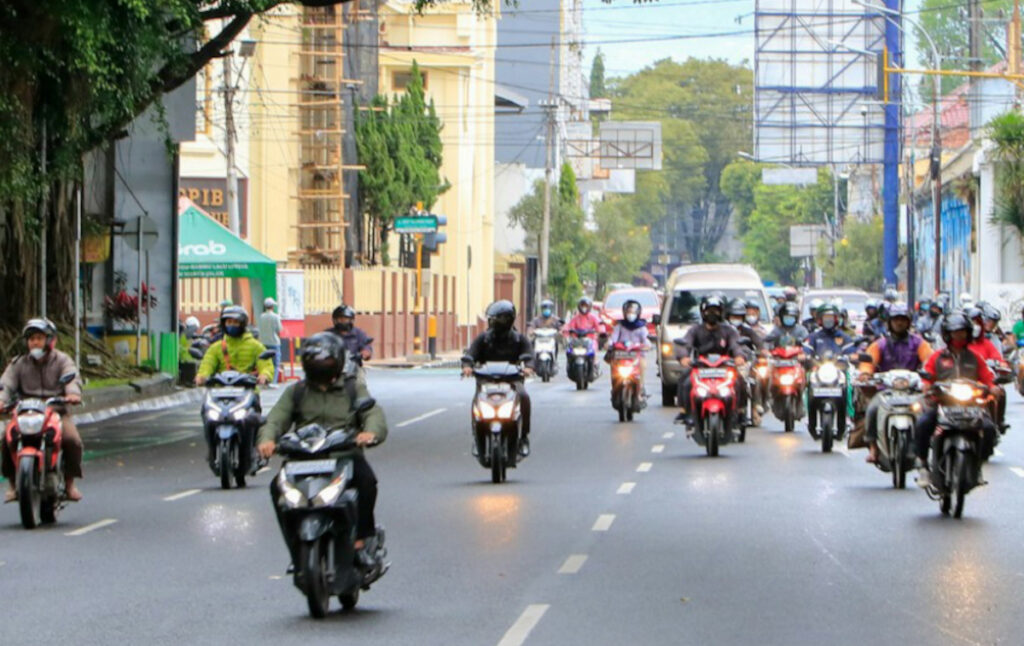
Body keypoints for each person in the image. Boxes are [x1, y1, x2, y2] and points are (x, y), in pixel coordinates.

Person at [258, 332, 387, 567]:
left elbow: (372, 413)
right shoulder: (296, 392)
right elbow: (276, 420)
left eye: (326, 361)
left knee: (367, 482)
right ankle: (295, 548)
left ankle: (361, 540)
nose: (321, 367)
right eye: (315, 361)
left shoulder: (352, 389)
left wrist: (369, 433)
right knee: (277, 489)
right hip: (302, 458)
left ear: (337, 361)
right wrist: (267, 440)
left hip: (343, 456)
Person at [0, 319, 84, 502]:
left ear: (50, 340)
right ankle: (13, 485)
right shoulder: (19, 363)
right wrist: (1, 400)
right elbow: (6, 384)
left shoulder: (62, 360)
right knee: (6, 438)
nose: (35, 342)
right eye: (31, 339)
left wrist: (72, 394)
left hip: (56, 413)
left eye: (39, 338)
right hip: (25, 412)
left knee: (72, 440)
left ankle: (70, 484)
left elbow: (72, 379)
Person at [913, 311, 997, 489]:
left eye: (962, 332)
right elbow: (927, 375)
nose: (959, 335)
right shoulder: (937, 357)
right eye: (954, 332)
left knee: (989, 429)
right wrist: (927, 385)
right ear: (947, 334)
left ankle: (979, 466)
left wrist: (993, 388)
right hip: (942, 404)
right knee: (922, 424)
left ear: (968, 333)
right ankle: (922, 466)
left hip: (971, 406)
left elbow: (987, 378)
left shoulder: (975, 358)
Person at [857, 303, 933, 463]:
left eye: (903, 320)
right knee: (872, 409)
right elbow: (868, 362)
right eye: (896, 320)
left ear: (909, 322)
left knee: (928, 413)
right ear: (890, 322)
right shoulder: (880, 344)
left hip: (913, 391)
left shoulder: (919, 343)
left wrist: (930, 374)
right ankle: (873, 448)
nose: (899, 323)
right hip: (886, 391)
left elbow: (930, 360)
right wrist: (865, 373)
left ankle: (924, 450)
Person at [462, 300, 534, 456]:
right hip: (486, 382)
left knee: (525, 398)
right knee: (477, 403)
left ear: (506, 320)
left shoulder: (519, 339)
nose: (492, 322)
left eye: (496, 319)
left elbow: (529, 355)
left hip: (512, 382)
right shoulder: (484, 339)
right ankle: (477, 436)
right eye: (491, 318)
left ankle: (523, 437)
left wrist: (528, 367)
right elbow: (470, 354)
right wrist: (467, 366)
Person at [672, 295, 746, 426]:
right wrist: (684, 357)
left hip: (724, 367)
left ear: (721, 312)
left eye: (716, 311)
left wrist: (739, 356)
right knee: (686, 380)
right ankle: (686, 412)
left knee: (740, 381)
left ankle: (740, 412)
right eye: (709, 311)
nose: (712, 314)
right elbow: (686, 344)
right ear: (703, 312)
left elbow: (736, 345)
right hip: (701, 367)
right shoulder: (695, 330)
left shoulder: (729, 330)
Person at [966, 306, 1009, 432]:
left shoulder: (988, 343)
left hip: (983, 383)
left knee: (1000, 391)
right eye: (973, 322)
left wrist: (1002, 365)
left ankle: (998, 421)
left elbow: (998, 358)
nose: (976, 326)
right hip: (960, 383)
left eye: (978, 322)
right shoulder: (957, 345)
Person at [606, 299, 652, 399]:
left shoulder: (642, 327)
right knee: (613, 365)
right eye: (628, 312)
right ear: (624, 313)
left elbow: (645, 340)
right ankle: (614, 388)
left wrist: (647, 345)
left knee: (642, 364)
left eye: (633, 312)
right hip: (621, 354)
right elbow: (613, 338)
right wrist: (608, 344)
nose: (630, 314)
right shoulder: (619, 326)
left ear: (638, 313)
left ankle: (640, 388)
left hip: (636, 355)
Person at [258, 298, 283, 386]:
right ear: (272, 307)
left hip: (263, 342)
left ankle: (266, 380)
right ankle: (273, 382)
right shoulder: (276, 317)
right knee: (276, 364)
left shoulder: (261, 316)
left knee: (265, 362)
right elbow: (279, 329)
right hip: (274, 342)